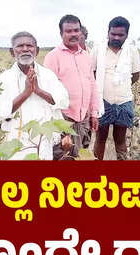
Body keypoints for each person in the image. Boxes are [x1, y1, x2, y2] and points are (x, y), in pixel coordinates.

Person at [0, 31, 71, 160]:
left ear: (37, 50)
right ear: (12, 52)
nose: (25, 49)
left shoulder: (48, 75)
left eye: (29, 46)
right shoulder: (4, 78)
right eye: (20, 46)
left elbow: (64, 101)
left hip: (43, 139)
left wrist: (38, 90)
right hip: (15, 141)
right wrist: (26, 93)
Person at [44, 15, 99, 159]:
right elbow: (48, 93)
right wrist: (62, 127)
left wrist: (94, 113)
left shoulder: (86, 56)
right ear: (61, 33)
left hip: (84, 119)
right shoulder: (53, 57)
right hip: (63, 120)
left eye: (76, 30)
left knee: (81, 155)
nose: (73, 34)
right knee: (63, 157)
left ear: (81, 32)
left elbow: (92, 85)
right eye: (68, 31)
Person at [91, 16, 140, 160]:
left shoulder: (131, 51)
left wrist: (120, 84)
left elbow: (136, 75)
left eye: (120, 35)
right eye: (113, 34)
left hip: (124, 101)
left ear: (127, 35)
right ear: (108, 32)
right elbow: (92, 73)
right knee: (100, 138)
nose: (116, 37)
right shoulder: (98, 50)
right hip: (102, 101)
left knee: (120, 139)